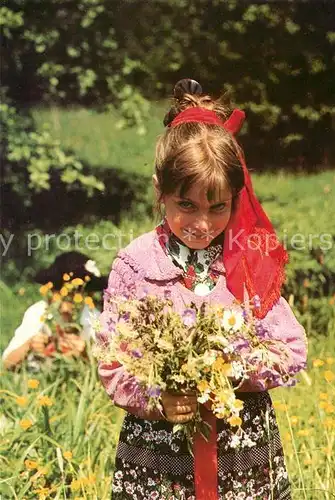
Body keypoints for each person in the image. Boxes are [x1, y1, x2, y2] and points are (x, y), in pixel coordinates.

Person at [97, 79, 307, 499]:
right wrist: (159, 398)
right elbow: (112, 361)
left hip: (242, 459)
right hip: (158, 460)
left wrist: (231, 370)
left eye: (219, 208)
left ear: (236, 197)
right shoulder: (137, 265)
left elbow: (292, 350)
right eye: (186, 206)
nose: (203, 224)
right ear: (161, 191)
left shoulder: (248, 259)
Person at [2, 251, 107, 370]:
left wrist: (86, 354)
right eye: (59, 289)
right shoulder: (39, 311)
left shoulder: (93, 318)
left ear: (87, 294)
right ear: (51, 290)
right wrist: (30, 345)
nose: (66, 305)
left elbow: (110, 367)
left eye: (74, 293)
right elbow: (6, 363)